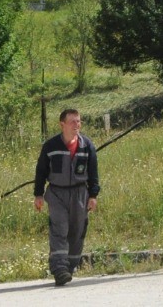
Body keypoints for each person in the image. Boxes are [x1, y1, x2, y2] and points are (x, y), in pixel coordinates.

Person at [33, 108, 100, 286]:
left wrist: (93, 195)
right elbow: (40, 171)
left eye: (78, 121)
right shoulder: (50, 146)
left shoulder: (87, 146)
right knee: (59, 229)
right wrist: (38, 194)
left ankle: (69, 268)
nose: (76, 125)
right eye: (72, 122)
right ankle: (59, 268)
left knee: (77, 231)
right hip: (56, 193)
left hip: (80, 193)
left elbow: (93, 173)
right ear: (62, 124)